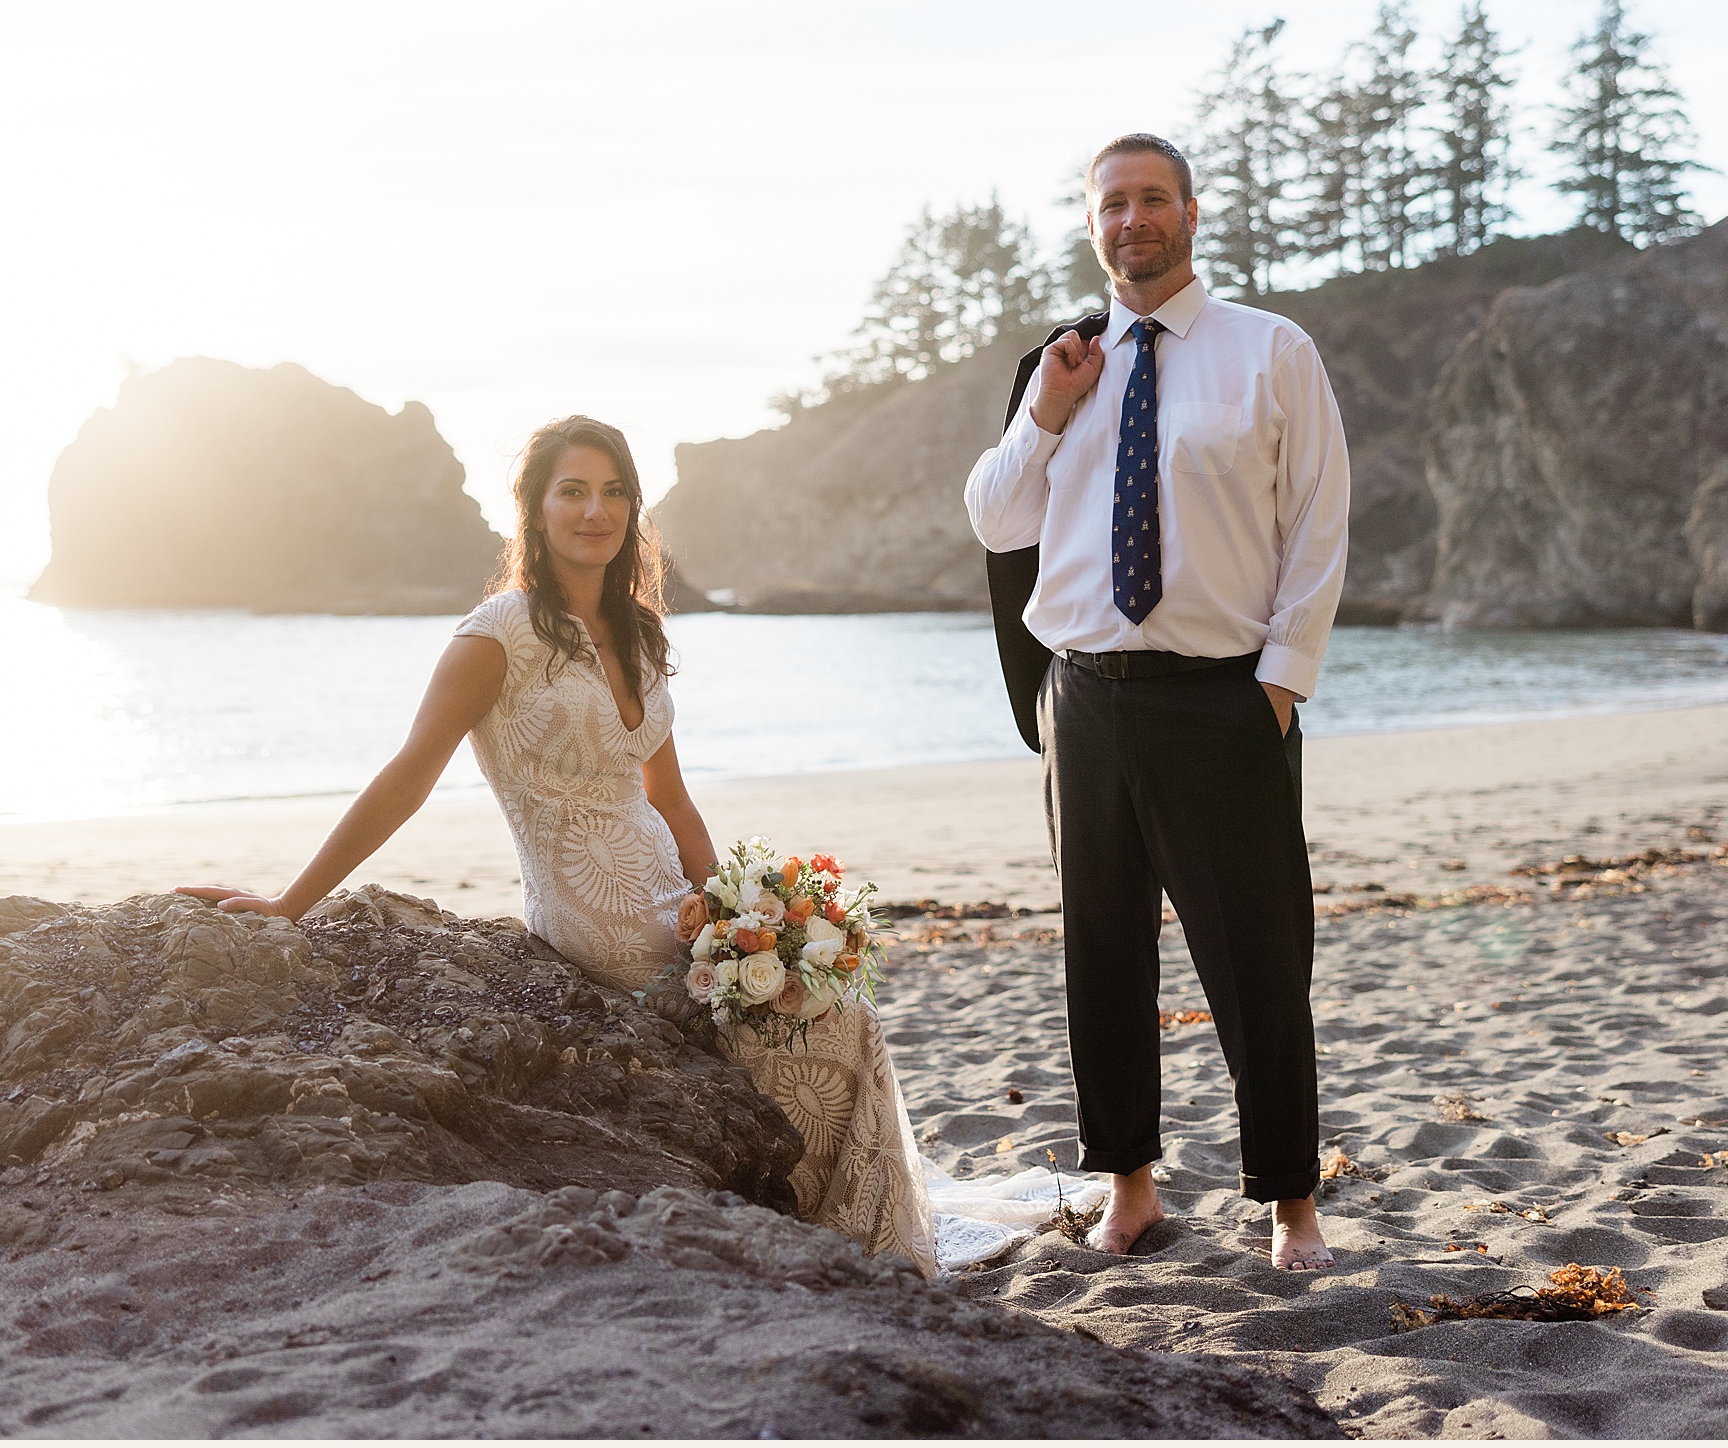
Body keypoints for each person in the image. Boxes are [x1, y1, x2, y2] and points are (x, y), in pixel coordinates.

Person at [179, 416, 1092, 1274]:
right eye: (572, 491)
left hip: (672, 903)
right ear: (534, 511)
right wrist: (287, 903)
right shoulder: (495, 637)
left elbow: (673, 801)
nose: (595, 510)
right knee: (805, 1021)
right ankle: (832, 1226)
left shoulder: (638, 633)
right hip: (590, 924)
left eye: (613, 491)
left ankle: (849, 1228)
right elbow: (408, 777)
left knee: (829, 994)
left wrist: (746, 916)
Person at [965, 133, 1350, 1270]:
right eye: (1111, 203)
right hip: (1083, 702)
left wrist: (1278, 688)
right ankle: (1128, 1189)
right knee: (1102, 957)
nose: (1132, 218)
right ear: (1092, 225)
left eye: (1152, 198)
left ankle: (1292, 1207)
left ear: (1189, 211)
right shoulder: (1064, 362)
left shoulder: (1269, 352)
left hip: (1219, 702)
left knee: (1259, 962)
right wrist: (1042, 411)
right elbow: (995, 521)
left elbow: (1316, 527)